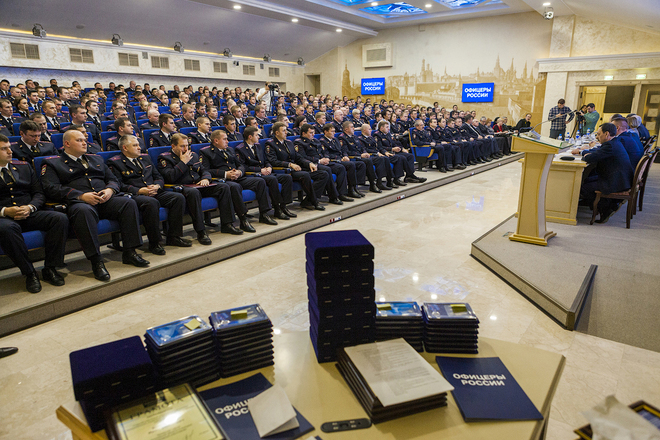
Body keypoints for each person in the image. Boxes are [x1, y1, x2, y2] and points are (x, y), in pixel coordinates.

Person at [42, 130, 150, 281]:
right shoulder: (53, 163)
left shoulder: (96, 159)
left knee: (128, 203)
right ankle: (96, 261)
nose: (84, 142)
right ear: (67, 143)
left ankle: (130, 252)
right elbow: (51, 188)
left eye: (84, 139)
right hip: (79, 202)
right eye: (79, 140)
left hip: (104, 199)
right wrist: (80, 196)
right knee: (83, 211)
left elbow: (113, 180)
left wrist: (110, 190)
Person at [0, 134, 68, 293]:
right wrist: (5, 211)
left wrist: (30, 207)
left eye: (9, 147)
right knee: (7, 229)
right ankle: (29, 273)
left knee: (59, 218)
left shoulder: (23, 166)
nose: (10, 151)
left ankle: (50, 267)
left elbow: (38, 193)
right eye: (3, 149)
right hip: (4, 217)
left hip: (28, 211)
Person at [107, 135, 192, 255]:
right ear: (125, 148)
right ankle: (154, 243)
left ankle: (174, 237)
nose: (139, 147)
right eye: (135, 145)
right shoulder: (115, 162)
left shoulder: (145, 158)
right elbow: (119, 184)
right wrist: (139, 190)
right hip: (135, 195)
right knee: (151, 203)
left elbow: (158, 176)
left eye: (138, 145)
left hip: (153, 191)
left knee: (177, 198)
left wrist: (157, 186)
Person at [157, 133, 243, 242]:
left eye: (187, 145)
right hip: (182, 188)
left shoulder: (193, 155)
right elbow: (170, 177)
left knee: (224, 187)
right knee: (194, 193)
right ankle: (201, 231)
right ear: (173, 146)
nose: (185, 149)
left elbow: (204, 170)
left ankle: (227, 224)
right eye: (182, 146)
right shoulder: (165, 158)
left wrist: (206, 178)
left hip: (198, 185)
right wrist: (183, 162)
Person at [200, 130, 278, 230]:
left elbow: (240, 165)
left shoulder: (229, 149)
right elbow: (205, 170)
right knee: (235, 187)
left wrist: (239, 172)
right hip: (222, 180)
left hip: (237, 177)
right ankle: (243, 218)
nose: (227, 141)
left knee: (260, 181)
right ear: (216, 141)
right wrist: (225, 174)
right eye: (224, 139)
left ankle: (264, 214)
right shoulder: (206, 152)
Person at [265, 122, 328, 210]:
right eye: (283, 131)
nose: (286, 132)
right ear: (277, 133)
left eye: (286, 130)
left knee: (323, 174)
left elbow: (298, 157)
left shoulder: (288, 142)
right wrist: (289, 164)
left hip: (296, 169)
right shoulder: (271, 144)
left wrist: (309, 163)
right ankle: (314, 201)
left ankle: (307, 201)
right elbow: (273, 161)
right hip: (285, 171)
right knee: (305, 175)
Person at [579, 123, 634, 223]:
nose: (597, 137)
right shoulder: (614, 142)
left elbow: (591, 158)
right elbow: (599, 152)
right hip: (620, 178)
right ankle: (601, 204)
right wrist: (585, 152)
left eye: (599, 134)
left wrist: (584, 154)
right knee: (587, 179)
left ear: (607, 134)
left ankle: (606, 209)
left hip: (616, 181)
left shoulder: (610, 145)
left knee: (585, 187)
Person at [294, 124, 349, 204]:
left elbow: (323, 152)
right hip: (311, 165)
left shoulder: (315, 141)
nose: (313, 134)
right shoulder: (299, 142)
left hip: (321, 162)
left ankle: (342, 193)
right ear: (303, 133)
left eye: (313, 132)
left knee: (340, 168)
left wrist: (326, 158)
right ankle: (333, 197)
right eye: (311, 133)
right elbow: (302, 158)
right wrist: (319, 161)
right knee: (327, 170)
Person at [340, 121, 387, 191]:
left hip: (360, 156)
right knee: (368, 161)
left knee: (380, 159)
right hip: (354, 158)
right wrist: (361, 155)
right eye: (352, 127)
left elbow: (361, 148)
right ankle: (372, 184)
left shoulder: (354, 137)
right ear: (346, 129)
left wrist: (365, 152)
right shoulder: (342, 138)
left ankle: (379, 182)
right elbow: (346, 151)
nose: (354, 128)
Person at [320, 124, 365, 198]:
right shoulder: (323, 141)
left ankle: (353, 188)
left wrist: (345, 156)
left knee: (360, 164)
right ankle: (342, 193)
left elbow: (342, 150)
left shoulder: (335, 140)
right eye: (332, 131)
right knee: (346, 166)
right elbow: (326, 154)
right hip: (333, 161)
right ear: (326, 132)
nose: (334, 133)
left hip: (340, 160)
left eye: (334, 131)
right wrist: (339, 158)